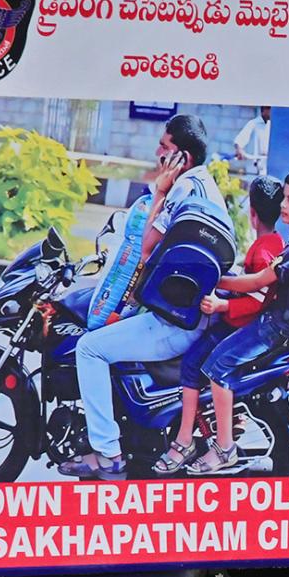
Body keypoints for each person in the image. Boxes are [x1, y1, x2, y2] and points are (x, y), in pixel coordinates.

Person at [60, 114, 228, 479]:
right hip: (188, 312)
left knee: (89, 347)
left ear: (181, 157)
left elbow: (148, 250)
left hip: (173, 322)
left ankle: (107, 453)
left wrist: (161, 192)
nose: (157, 152)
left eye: (164, 147)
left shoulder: (181, 190)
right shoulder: (209, 189)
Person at [187, 167, 289, 474]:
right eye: (283, 199)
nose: (283, 205)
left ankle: (224, 448)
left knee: (215, 367)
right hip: (282, 326)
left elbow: (256, 283)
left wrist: (217, 279)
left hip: (272, 328)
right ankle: (230, 420)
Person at [153, 176, 285, 474]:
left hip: (239, 325)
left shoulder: (264, 249)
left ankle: (186, 440)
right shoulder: (274, 242)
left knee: (190, 365)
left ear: (252, 213)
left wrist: (222, 304)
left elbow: (258, 299)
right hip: (245, 323)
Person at [233, 106, 271, 175]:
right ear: (264, 110)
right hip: (253, 167)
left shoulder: (271, 125)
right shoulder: (253, 123)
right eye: (269, 109)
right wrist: (239, 150)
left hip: (265, 166)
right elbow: (239, 140)